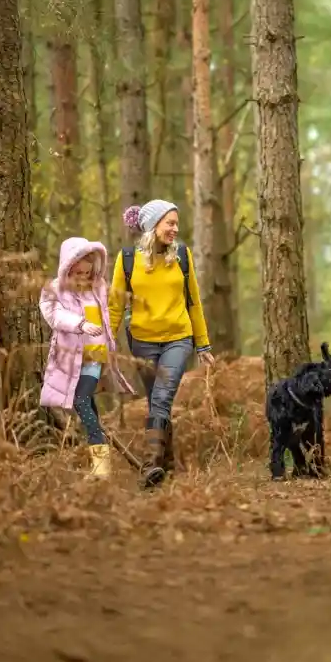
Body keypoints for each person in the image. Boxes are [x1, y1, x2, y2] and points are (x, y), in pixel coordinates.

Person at [109, 199, 215, 489]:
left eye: (176, 223)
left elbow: (193, 302)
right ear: (153, 225)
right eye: (169, 223)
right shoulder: (127, 258)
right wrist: (105, 342)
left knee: (161, 397)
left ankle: (149, 464)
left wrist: (202, 345)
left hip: (178, 338)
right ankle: (165, 466)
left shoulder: (182, 255)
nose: (174, 229)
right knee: (159, 401)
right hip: (142, 341)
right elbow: (116, 305)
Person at [39, 237, 134, 480]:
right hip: (69, 358)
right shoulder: (54, 290)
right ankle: (99, 464)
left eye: (87, 273)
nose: (83, 277)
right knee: (87, 407)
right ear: (67, 268)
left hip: (94, 356)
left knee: (81, 401)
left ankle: (102, 468)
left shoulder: (98, 288)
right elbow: (55, 315)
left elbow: (112, 308)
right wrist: (80, 324)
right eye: (77, 272)